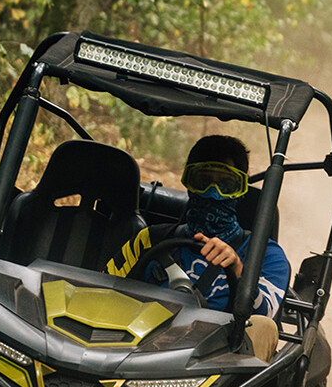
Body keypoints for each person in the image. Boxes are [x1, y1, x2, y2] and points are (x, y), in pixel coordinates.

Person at [108, 135, 289, 360]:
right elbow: (102, 291)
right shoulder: (150, 239)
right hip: (136, 352)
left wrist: (238, 270)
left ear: (241, 190)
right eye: (203, 181)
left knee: (263, 327)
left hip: (215, 366)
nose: (213, 192)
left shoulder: (266, 255)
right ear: (188, 182)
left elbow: (265, 317)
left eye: (226, 184)